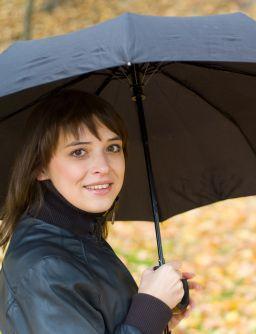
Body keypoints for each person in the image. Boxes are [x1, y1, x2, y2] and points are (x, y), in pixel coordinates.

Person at [0, 89, 201, 333]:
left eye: (113, 148)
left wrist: (158, 319)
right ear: (40, 167)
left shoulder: (80, 235)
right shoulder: (44, 269)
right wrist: (150, 307)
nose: (103, 167)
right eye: (79, 152)